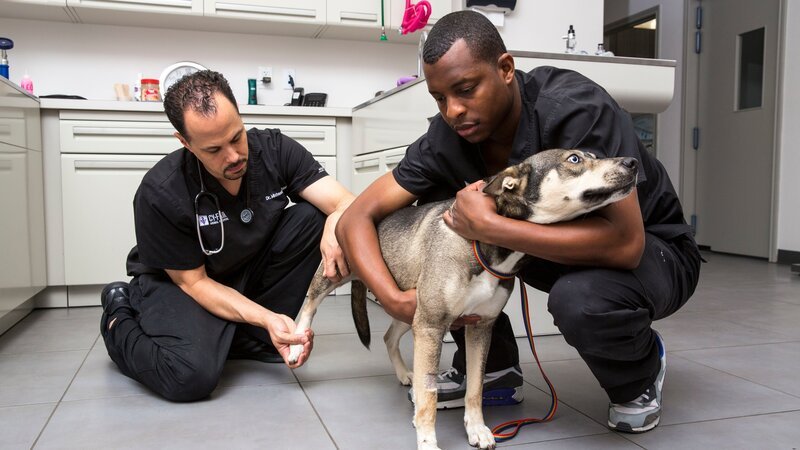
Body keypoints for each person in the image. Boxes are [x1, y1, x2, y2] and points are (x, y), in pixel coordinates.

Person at [336, 10, 701, 434]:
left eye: (466, 89)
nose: (453, 110)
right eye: (439, 98)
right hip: (546, 249)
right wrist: (398, 302)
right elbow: (357, 217)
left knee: (579, 298)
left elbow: (626, 244)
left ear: (505, 69)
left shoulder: (575, 109)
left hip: (653, 253)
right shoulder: (448, 135)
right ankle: (495, 368)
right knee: (440, 217)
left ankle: (639, 371)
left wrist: (490, 227)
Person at [99, 70, 354, 402]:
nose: (233, 156)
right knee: (190, 376)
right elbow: (194, 283)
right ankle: (119, 316)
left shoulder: (274, 149)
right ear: (185, 143)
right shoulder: (160, 192)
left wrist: (335, 222)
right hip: (183, 282)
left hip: (244, 266)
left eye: (237, 137)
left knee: (316, 217)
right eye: (214, 149)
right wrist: (267, 318)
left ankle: (237, 336)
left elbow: (345, 202)